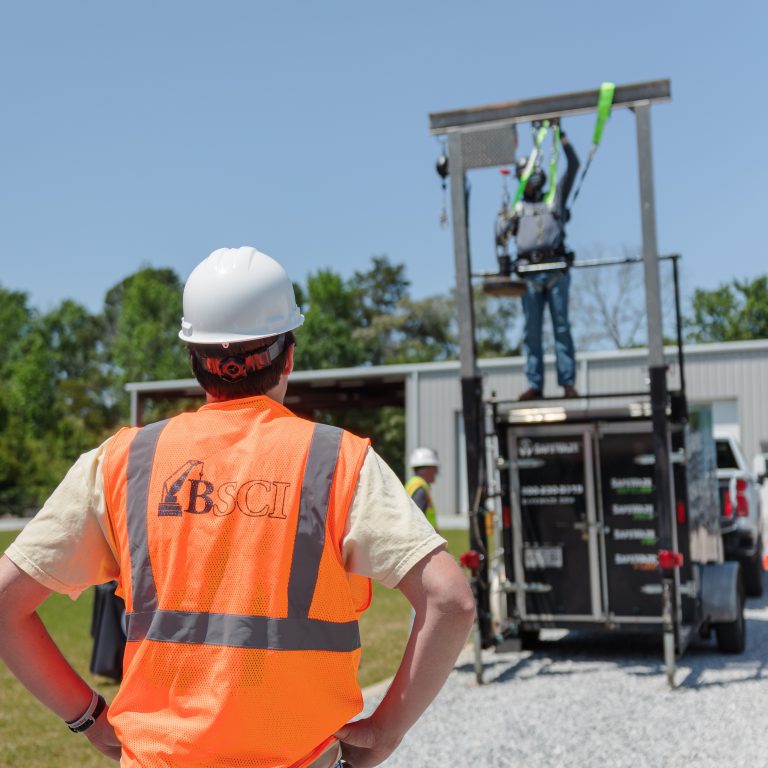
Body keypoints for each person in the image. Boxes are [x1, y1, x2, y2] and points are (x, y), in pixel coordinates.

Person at [0, 246, 475, 768]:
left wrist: (86, 715)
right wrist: (387, 730)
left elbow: (5, 603)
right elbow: (451, 601)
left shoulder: (122, 461)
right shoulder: (337, 460)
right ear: (288, 356)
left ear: (194, 358)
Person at [497, 122, 580, 401]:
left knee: (561, 328)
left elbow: (574, 165)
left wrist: (561, 134)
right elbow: (501, 237)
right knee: (531, 332)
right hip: (529, 275)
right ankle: (535, 384)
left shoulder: (554, 199)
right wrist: (502, 225)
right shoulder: (516, 208)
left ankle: (567, 382)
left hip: (555, 270)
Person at [405, 447, 440, 531]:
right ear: (426, 469)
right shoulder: (419, 490)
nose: (436, 472)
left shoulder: (413, 484)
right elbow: (418, 522)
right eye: (434, 468)